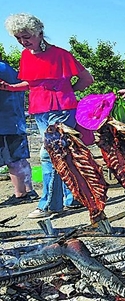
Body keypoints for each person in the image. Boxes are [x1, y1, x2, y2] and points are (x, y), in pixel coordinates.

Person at [2, 14, 93, 218]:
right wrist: (10, 87)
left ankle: (50, 204)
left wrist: (67, 91)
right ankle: (74, 198)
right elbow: (33, 83)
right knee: (63, 154)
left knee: (48, 155)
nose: (23, 42)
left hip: (61, 110)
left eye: (26, 37)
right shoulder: (26, 56)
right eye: (18, 38)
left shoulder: (61, 54)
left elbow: (87, 79)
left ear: (39, 33)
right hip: (39, 111)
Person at [0, 57, 38, 206]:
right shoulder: (7, 67)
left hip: (5, 123)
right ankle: (28, 191)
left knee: (13, 159)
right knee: (18, 158)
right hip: (14, 121)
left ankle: (21, 194)